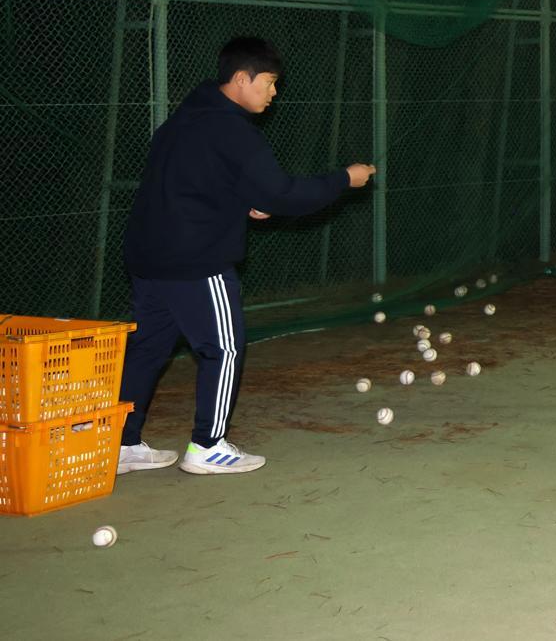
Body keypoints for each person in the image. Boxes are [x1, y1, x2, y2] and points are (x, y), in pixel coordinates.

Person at [117, 37, 376, 477]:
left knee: (146, 349)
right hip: (196, 260)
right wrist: (343, 179)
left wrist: (242, 201)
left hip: (149, 256)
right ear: (242, 79)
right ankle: (208, 446)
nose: (274, 93)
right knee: (225, 348)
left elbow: (191, 184)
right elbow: (283, 193)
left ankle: (120, 443)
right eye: (270, 83)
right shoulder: (235, 132)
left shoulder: (182, 121)